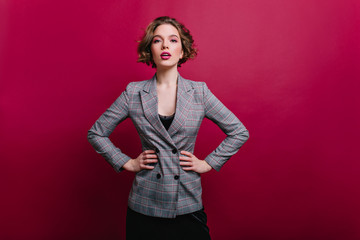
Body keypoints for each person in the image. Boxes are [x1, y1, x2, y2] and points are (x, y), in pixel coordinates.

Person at [87, 16, 249, 240]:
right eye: (157, 40)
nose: (165, 45)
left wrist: (209, 163)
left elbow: (239, 131)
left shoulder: (199, 92)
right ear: (150, 51)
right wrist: (127, 162)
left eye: (173, 40)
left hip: (187, 203)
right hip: (144, 205)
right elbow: (97, 133)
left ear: (182, 52)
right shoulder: (133, 92)